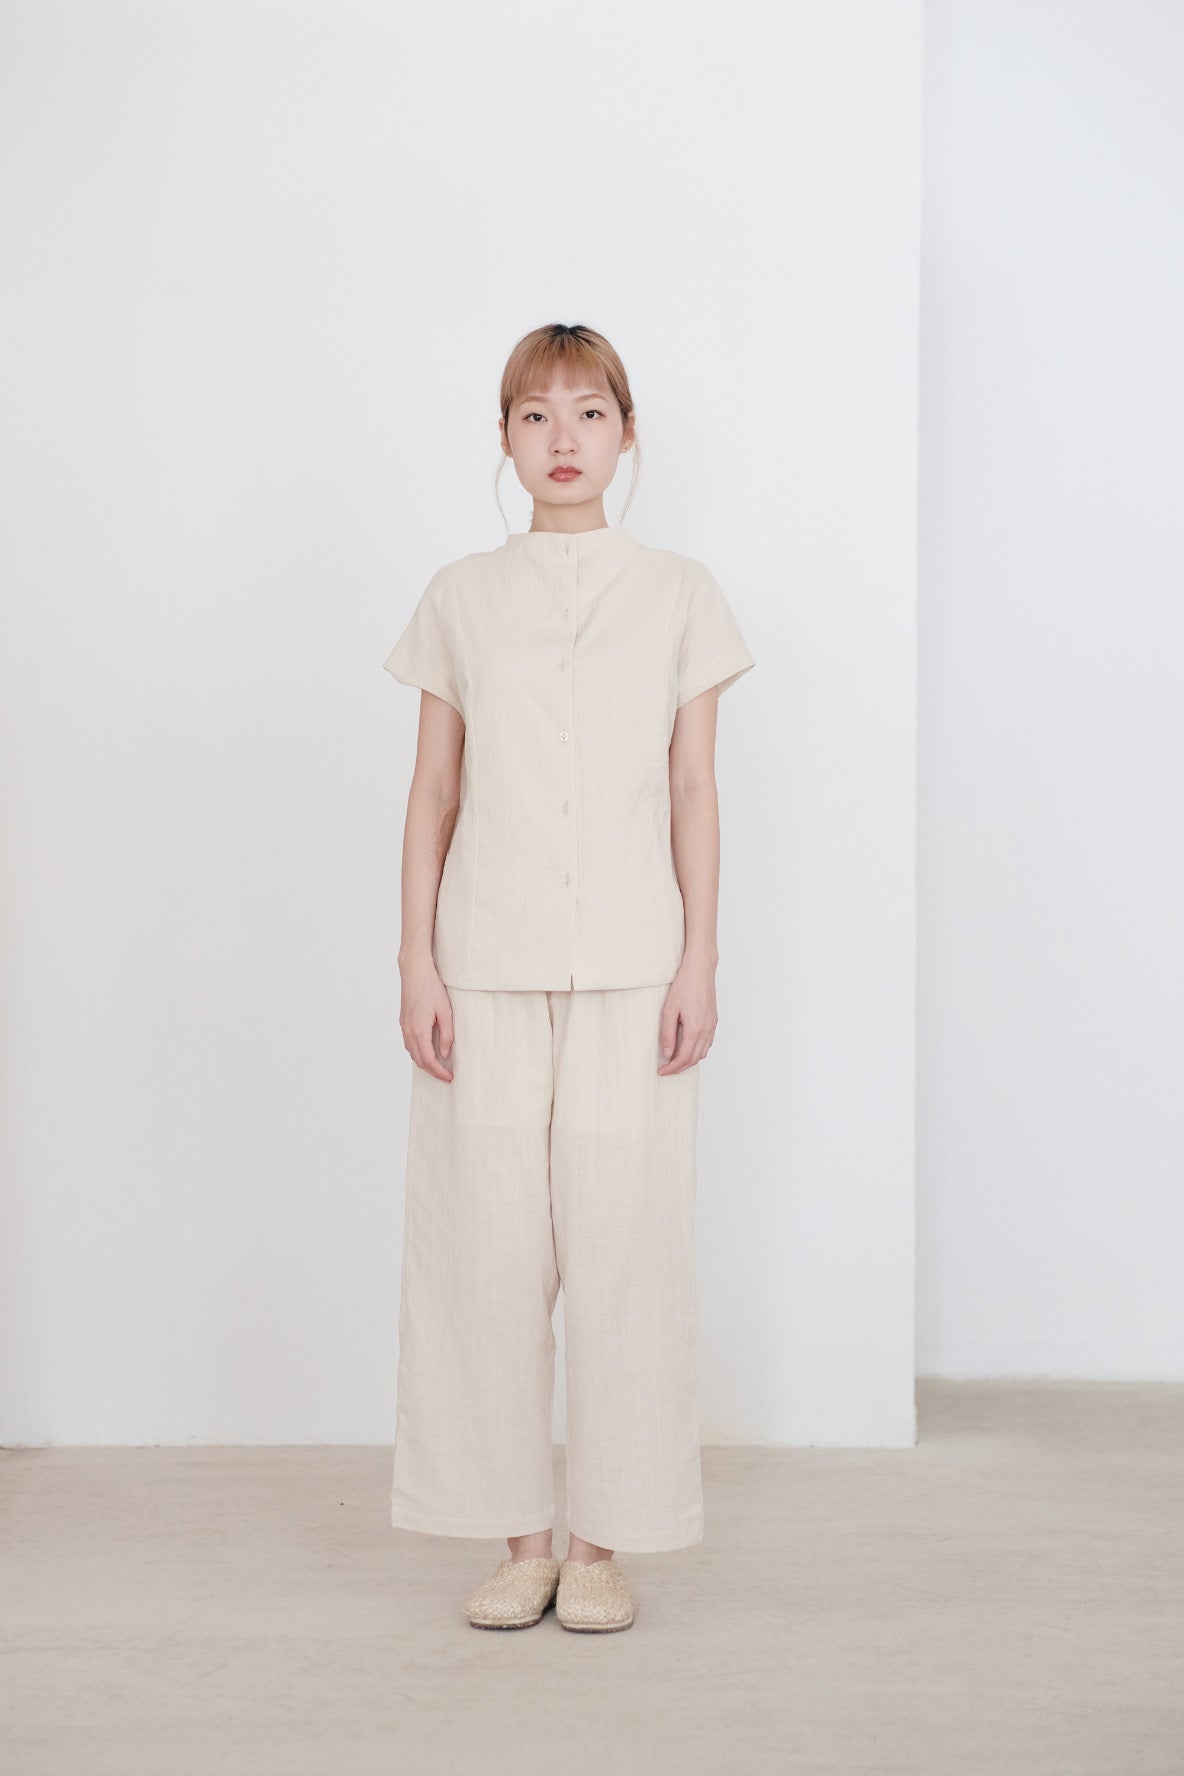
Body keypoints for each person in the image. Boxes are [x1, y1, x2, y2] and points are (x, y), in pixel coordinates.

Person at [382, 322, 755, 1632]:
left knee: (625, 1256)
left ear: (627, 433)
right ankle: (520, 1541)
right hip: (483, 967)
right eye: (535, 416)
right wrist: (416, 957)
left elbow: (694, 787)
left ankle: (600, 1544)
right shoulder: (458, 598)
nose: (562, 440)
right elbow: (433, 792)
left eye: (589, 413)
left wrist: (700, 956)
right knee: (485, 1256)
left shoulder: (683, 595)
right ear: (503, 436)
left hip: (634, 973)